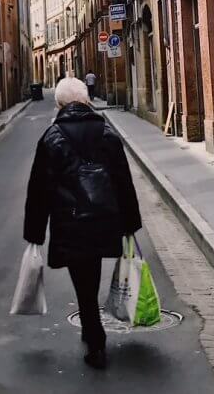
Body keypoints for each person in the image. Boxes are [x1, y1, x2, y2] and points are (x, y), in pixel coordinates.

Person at [23, 77, 141, 370]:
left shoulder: (52, 138)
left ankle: (95, 335)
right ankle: (92, 330)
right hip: (104, 219)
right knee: (92, 272)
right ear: (87, 101)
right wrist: (130, 224)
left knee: (83, 279)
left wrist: (35, 233)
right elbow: (123, 182)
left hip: (71, 222)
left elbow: (39, 190)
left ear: (60, 104)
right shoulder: (108, 135)